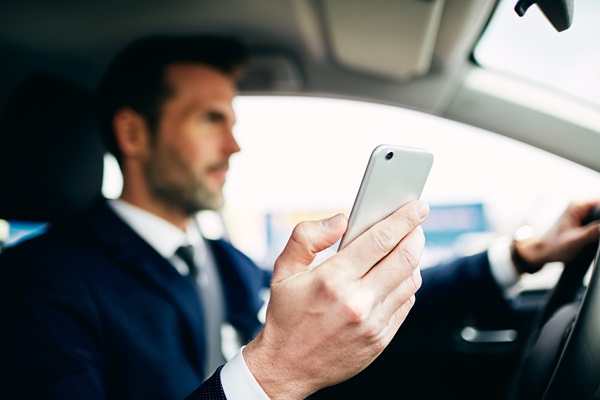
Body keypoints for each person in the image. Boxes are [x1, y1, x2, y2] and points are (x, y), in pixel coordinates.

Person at [0, 33, 598, 400]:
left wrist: (524, 255)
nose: (233, 147)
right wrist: (272, 376)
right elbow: (277, 361)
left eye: (232, 123)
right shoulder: (39, 285)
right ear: (133, 131)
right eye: (210, 119)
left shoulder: (216, 259)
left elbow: (335, 310)